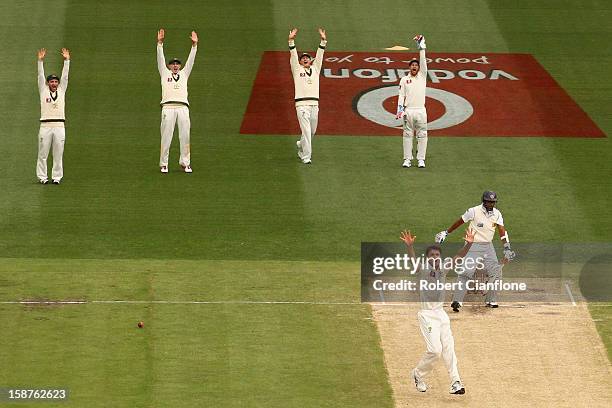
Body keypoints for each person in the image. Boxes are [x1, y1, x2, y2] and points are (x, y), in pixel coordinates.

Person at [400, 228, 475, 395]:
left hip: (441, 314)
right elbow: (413, 262)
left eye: (437, 255)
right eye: (432, 255)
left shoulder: (443, 268)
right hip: (427, 315)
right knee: (435, 351)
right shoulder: (423, 269)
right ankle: (418, 374)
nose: (435, 257)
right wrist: (410, 247)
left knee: (449, 348)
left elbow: (459, 257)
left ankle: (456, 381)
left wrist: (468, 244)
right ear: (427, 258)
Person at [434, 191, 516, 310]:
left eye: (493, 202)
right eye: (488, 202)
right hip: (472, 245)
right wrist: (447, 232)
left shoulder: (497, 214)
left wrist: (507, 247)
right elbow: (460, 221)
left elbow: (502, 231)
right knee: (466, 272)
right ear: (484, 201)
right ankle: (457, 301)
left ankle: (491, 300)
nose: (491, 204)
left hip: (488, 246)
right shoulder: (473, 211)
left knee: (496, 273)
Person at [156, 28, 198, 173]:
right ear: (169, 66)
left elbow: (191, 62)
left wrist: (194, 46)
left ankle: (185, 163)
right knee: (166, 136)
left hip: (183, 108)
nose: (175, 66)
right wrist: (159, 44)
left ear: (180, 66)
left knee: (185, 136)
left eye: (177, 64)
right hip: (168, 107)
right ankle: (164, 164)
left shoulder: (185, 74)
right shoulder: (164, 73)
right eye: (173, 64)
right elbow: (160, 59)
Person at [288, 27, 327, 165]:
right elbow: (293, 55)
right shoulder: (297, 69)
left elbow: (320, 56)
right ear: (299, 62)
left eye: (307, 58)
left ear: (311, 61)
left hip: (314, 104)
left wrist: (323, 41)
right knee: (306, 130)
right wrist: (291, 41)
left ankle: (301, 145)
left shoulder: (315, 69)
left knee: (312, 131)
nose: (304, 59)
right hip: (301, 105)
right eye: (302, 58)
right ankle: (306, 156)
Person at [36, 47, 70, 184]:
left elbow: (65, 77)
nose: (54, 83)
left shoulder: (62, 90)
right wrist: (40, 61)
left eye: (56, 82)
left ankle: (57, 177)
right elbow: (40, 76)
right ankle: (42, 177)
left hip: (59, 125)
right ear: (48, 83)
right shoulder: (43, 91)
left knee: (58, 154)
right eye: (52, 82)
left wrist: (67, 61)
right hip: (45, 125)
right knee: (43, 154)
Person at [396, 35, 428, 168]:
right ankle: (407, 159)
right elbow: (401, 95)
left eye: (416, 65)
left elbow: (423, 61)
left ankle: (421, 159)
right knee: (407, 135)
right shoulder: (404, 80)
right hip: (408, 110)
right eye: (412, 65)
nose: (414, 66)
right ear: (410, 68)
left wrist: (421, 48)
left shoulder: (422, 76)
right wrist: (399, 110)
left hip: (421, 110)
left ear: (419, 68)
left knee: (422, 135)